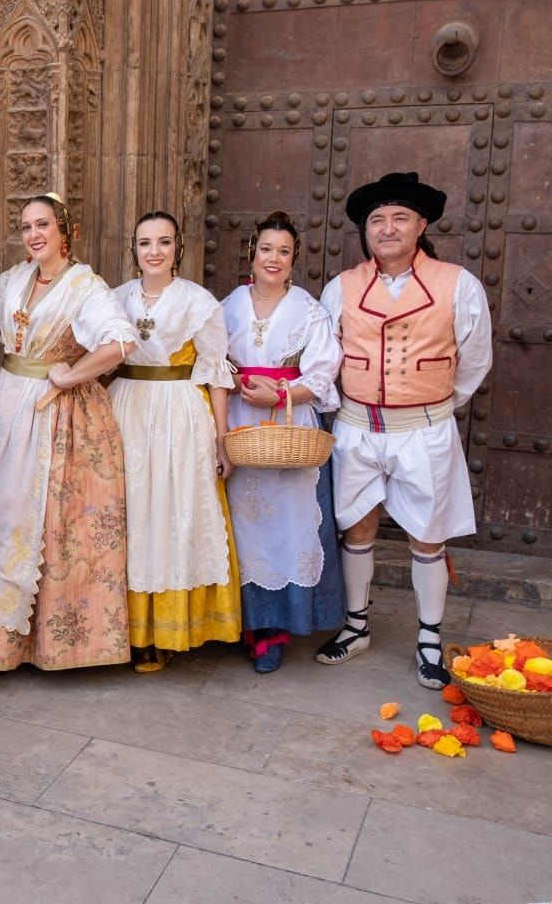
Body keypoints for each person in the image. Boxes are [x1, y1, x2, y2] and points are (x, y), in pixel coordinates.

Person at [315, 172, 493, 689]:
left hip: (425, 430)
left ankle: (430, 638)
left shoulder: (458, 284)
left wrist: (431, 404)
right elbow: (326, 358)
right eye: (377, 220)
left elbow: (475, 360)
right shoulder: (341, 287)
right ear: (366, 232)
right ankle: (355, 626)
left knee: (427, 535)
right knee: (357, 527)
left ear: (421, 225)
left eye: (398, 218)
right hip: (356, 427)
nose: (387, 228)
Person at [0, 193, 135, 670]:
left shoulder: (85, 286)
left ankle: (47, 644)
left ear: (65, 231)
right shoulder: (14, 278)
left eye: (43, 225)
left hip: (51, 415)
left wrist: (72, 374)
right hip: (3, 405)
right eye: (26, 226)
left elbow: (120, 342)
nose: (34, 235)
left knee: (40, 524)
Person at [110, 210, 241, 671]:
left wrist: (223, 443)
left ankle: (165, 631)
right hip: (125, 406)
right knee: (130, 514)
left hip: (179, 413)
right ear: (134, 249)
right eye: (145, 242)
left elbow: (215, 374)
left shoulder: (199, 302)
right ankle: (123, 628)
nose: (154, 251)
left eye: (164, 242)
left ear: (178, 248)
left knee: (170, 517)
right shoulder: (115, 297)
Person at [222, 211, 346, 673]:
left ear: (294, 260)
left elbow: (322, 371)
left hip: (288, 424)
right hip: (237, 422)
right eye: (267, 249)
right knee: (241, 525)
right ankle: (242, 621)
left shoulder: (310, 311)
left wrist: (281, 393)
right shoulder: (227, 305)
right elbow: (211, 357)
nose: (273, 259)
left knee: (286, 527)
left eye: (284, 251)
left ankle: (274, 628)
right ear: (253, 253)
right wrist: (231, 382)